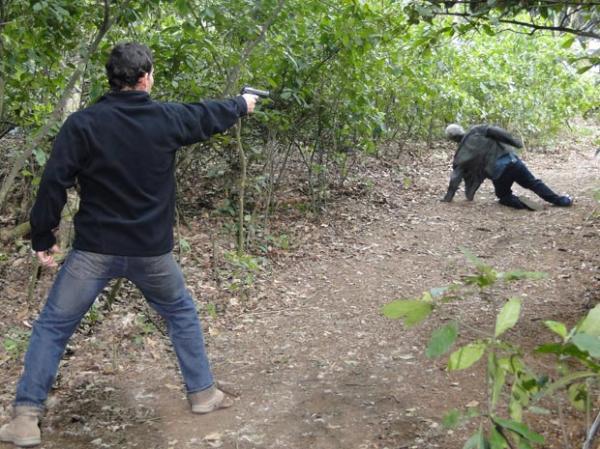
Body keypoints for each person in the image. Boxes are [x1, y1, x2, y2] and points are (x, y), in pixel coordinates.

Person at [0, 42, 258, 448]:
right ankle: (203, 394)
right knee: (181, 314)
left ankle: (25, 418)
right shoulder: (166, 119)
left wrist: (43, 235)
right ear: (146, 77)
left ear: (112, 78)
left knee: (52, 327)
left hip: (93, 252)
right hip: (151, 253)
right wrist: (243, 104)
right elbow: (208, 114)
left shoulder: (83, 124)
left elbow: (54, 181)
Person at [442, 123, 572, 210]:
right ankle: (561, 201)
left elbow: (456, 177)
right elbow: (496, 131)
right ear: (462, 129)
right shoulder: (477, 130)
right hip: (513, 161)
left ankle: (522, 204)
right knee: (534, 183)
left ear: (452, 139)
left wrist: (448, 197)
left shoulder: (461, 154)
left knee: (503, 196)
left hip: (499, 173)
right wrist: (514, 142)